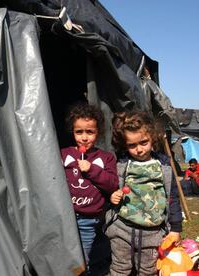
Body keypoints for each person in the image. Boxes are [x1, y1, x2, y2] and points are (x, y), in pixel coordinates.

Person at [105, 111, 183, 275]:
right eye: (132, 145)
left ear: (152, 137)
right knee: (120, 268)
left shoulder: (164, 165)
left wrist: (176, 228)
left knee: (147, 270)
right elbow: (111, 185)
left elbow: (173, 198)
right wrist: (112, 195)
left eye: (144, 142)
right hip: (122, 228)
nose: (139, 149)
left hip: (152, 232)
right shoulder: (122, 163)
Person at [61, 102, 118, 266]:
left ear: (97, 133)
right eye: (79, 132)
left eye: (90, 132)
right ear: (72, 132)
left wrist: (92, 169)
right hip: (65, 217)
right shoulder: (64, 155)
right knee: (63, 255)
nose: (84, 137)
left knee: (82, 259)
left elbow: (112, 184)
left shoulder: (105, 158)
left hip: (88, 220)